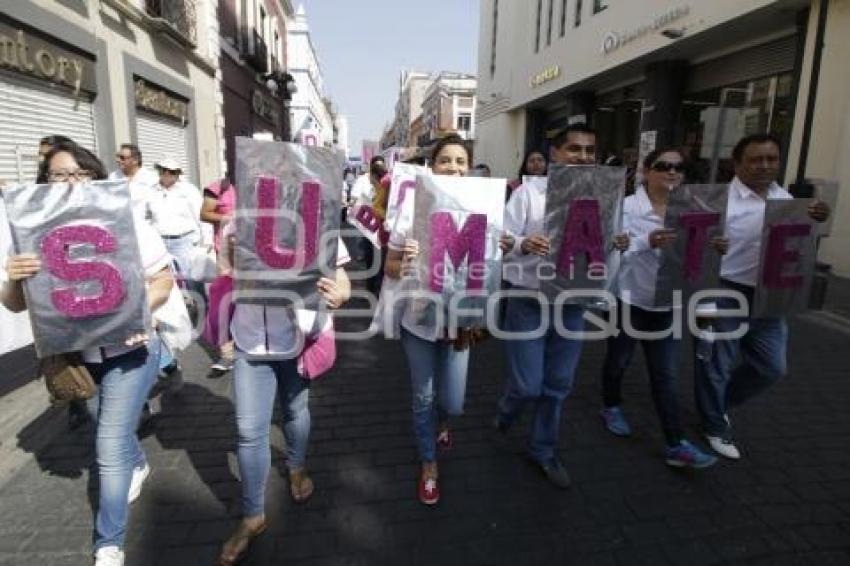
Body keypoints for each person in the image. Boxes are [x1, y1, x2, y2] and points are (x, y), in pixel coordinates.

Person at [1, 142, 174, 566]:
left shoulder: (127, 217)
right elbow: (15, 303)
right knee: (108, 425)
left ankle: (108, 542)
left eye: (80, 174)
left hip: (130, 351)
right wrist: (13, 278)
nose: (71, 183)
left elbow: (163, 281)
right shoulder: (30, 229)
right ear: (46, 182)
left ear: (96, 178)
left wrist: (138, 315)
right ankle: (137, 464)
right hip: (77, 359)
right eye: (60, 175)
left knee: (108, 442)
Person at [496, 124, 628, 489]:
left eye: (589, 150)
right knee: (527, 386)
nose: (583, 157)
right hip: (528, 298)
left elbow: (603, 248)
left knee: (557, 384)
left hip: (572, 301)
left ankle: (544, 449)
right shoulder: (528, 194)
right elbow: (500, 240)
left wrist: (617, 242)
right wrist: (524, 243)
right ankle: (506, 411)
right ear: (554, 153)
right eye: (574, 149)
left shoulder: (604, 195)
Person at [694, 133, 830, 460]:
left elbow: (800, 245)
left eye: (771, 159)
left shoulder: (786, 199)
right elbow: (689, 245)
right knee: (716, 364)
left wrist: (818, 222)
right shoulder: (717, 199)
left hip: (770, 294)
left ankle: (718, 404)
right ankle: (713, 424)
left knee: (772, 367)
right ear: (737, 164)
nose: (764, 166)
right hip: (725, 289)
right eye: (755, 159)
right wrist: (711, 246)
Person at [217, 240, 352, 565]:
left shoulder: (316, 210)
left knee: (294, 409)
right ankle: (252, 515)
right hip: (250, 341)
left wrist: (340, 295)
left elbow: (342, 278)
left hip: (296, 340)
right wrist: (235, 254)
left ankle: (296, 466)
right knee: (249, 431)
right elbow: (224, 276)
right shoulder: (240, 221)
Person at [384, 134, 490, 506]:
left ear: (470, 166)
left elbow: (490, 265)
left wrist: (506, 246)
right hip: (419, 320)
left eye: (461, 161)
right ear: (432, 166)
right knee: (423, 396)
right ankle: (429, 464)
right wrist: (406, 263)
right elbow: (391, 265)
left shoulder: (484, 204)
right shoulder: (413, 205)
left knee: (455, 402)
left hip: (460, 323)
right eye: (445, 160)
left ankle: (444, 424)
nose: (454, 167)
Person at [599, 148, 720, 468]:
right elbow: (608, 250)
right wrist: (644, 243)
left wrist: (716, 246)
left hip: (666, 304)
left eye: (678, 168)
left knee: (665, 374)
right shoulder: (625, 208)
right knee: (618, 361)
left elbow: (699, 253)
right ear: (647, 171)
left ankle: (676, 443)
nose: (672, 172)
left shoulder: (693, 209)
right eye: (664, 166)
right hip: (628, 300)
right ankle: (610, 404)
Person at [201, 176, 237, 375]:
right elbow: (205, 213)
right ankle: (227, 354)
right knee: (225, 303)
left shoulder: (262, 183)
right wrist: (230, 218)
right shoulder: (218, 187)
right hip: (226, 256)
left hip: (257, 255)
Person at [108, 144, 159, 223]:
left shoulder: (151, 178)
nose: (117, 160)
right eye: (117, 156)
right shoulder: (113, 177)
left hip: (144, 227)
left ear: (135, 160)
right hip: (120, 225)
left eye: (122, 158)